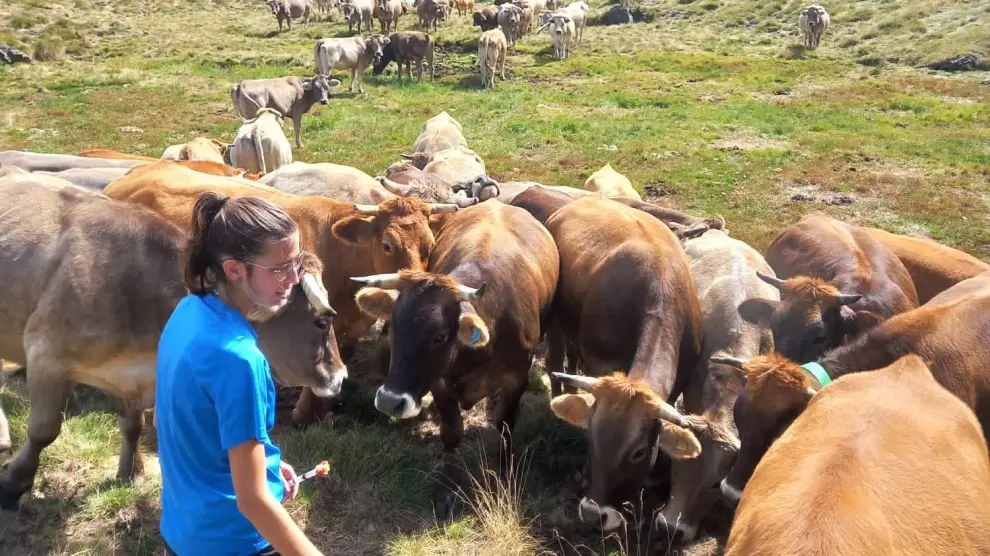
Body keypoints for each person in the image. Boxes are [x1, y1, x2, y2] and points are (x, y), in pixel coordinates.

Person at [154, 191, 324, 556]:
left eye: (297, 262)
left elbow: (183, 427)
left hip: (183, 529)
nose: (293, 278)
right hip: (233, 542)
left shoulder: (187, 312)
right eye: (279, 268)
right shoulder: (239, 360)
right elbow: (253, 503)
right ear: (234, 269)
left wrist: (267, 469)